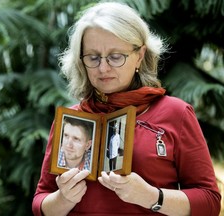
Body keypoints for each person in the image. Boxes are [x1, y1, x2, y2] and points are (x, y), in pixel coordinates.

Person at [32, 2, 221, 216]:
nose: (103, 68)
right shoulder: (73, 119)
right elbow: (40, 202)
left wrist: (151, 196)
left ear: (139, 55)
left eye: (115, 57)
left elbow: (209, 202)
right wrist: (62, 199)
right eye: (93, 57)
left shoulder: (175, 113)